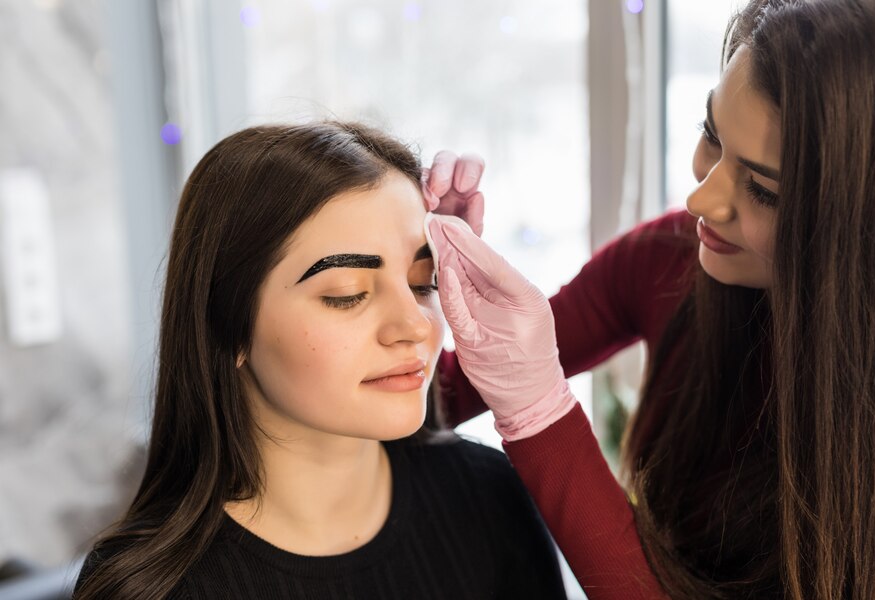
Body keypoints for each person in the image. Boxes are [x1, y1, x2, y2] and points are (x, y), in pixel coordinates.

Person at [423, 0, 875, 598]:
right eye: (711, 135)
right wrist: (423, 276)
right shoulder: (669, 256)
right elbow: (435, 397)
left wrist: (539, 412)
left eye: (762, 189)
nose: (701, 199)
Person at [74, 122, 567, 600]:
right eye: (347, 294)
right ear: (228, 325)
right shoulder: (151, 589)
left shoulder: (489, 494)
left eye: (424, 283)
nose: (416, 325)